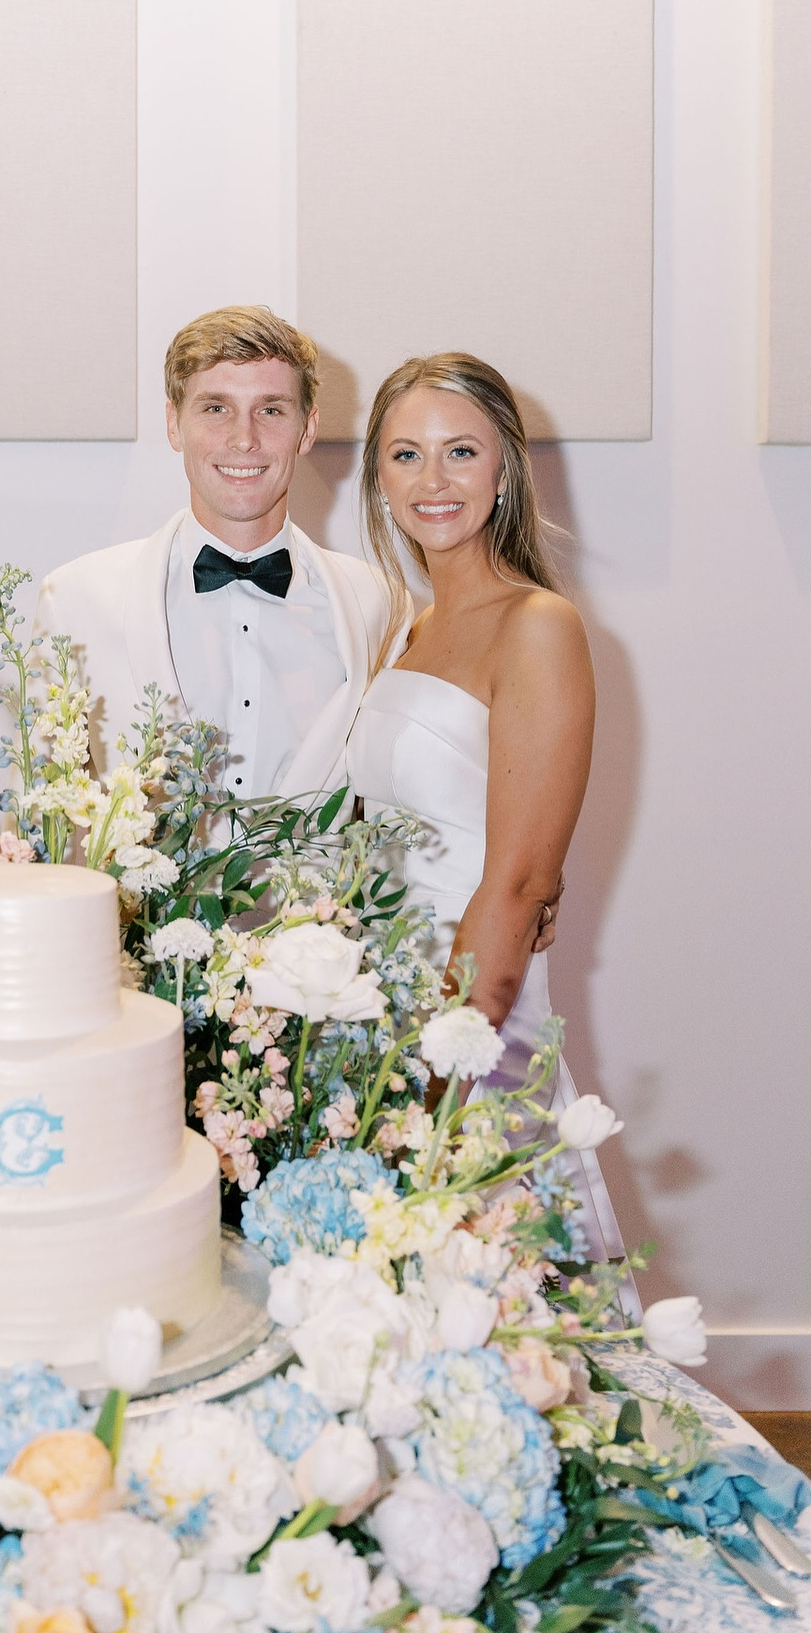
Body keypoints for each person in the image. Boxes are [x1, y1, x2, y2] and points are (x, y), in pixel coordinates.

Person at [344, 352, 628, 1275]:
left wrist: (434, 1082)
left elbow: (516, 881)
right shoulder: (407, 627)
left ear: (503, 468)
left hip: (474, 1027)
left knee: (497, 1297)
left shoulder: (538, 625)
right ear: (378, 479)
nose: (434, 481)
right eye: (405, 456)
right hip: (381, 1019)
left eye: (460, 451)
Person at [33, 307, 399, 802]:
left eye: (271, 410)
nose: (244, 439)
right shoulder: (75, 601)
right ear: (173, 424)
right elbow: (41, 821)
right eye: (215, 408)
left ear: (307, 430)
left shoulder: (378, 604)